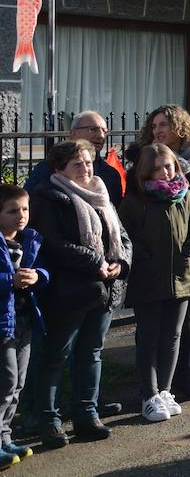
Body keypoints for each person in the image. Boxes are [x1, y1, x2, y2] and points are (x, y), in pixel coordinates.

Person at [27, 139, 130, 448]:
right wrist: (95, 262)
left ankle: (87, 414)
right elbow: (53, 243)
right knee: (56, 356)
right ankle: (49, 420)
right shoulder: (49, 197)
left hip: (103, 290)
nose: (86, 168)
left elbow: (122, 236)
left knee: (91, 353)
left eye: (87, 162)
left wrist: (121, 263)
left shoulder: (101, 192)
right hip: (69, 291)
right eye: (77, 164)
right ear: (59, 169)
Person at [128, 105, 190, 403]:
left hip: (188, 251)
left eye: (165, 125)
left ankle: (177, 382)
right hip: (154, 258)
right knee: (154, 328)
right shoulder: (142, 165)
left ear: (180, 128)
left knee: (182, 324)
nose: (159, 130)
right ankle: (151, 389)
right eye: (155, 125)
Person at [118, 143, 190, 424]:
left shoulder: (185, 195)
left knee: (173, 336)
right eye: (157, 168)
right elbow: (124, 234)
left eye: (168, 166)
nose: (165, 172)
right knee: (148, 337)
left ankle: (166, 391)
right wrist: (143, 256)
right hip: (148, 279)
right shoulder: (135, 200)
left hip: (181, 276)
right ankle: (149, 394)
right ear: (146, 170)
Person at [0, 183, 45, 465]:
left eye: (25, 209)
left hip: (25, 320)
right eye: (12, 210)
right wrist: (10, 281)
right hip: (3, 324)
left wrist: (38, 276)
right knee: (5, 382)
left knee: (18, 383)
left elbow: (45, 269)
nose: (21, 215)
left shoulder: (30, 239)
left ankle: (5, 437)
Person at [25, 111, 125, 207]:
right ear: (73, 133)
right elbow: (31, 202)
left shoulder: (110, 174)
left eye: (104, 131)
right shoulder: (49, 167)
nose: (101, 136)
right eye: (93, 129)